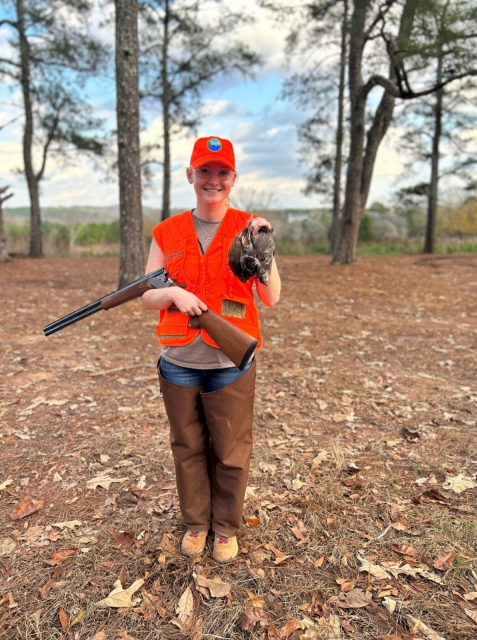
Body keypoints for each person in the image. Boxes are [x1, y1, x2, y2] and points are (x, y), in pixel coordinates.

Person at [141, 136, 281, 563]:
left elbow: (271, 296)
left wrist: (264, 249)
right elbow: (148, 294)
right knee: (187, 446)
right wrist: (173, 296)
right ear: (190, 176)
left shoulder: (250, 228)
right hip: (179, 359)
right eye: (204, 170)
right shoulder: (167, 231)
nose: (213, 180)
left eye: (222, 172)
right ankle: (196, 523)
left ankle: (225, 528)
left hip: (229, 361)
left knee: (231, 448)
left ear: (234, 179)